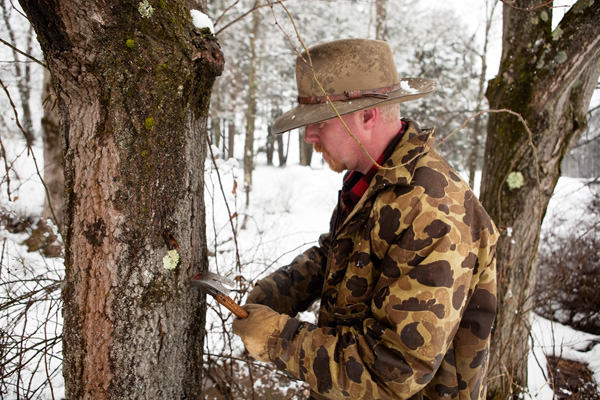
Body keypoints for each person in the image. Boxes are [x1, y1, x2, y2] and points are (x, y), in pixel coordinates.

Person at [232, 38, 498, 400]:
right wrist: (279, 291)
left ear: (367, 116)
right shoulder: (372, 180)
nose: (309, 135)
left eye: (320, 122)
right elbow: (338, 257)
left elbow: (392, 370)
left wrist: (279, 339)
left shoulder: (433, 213)